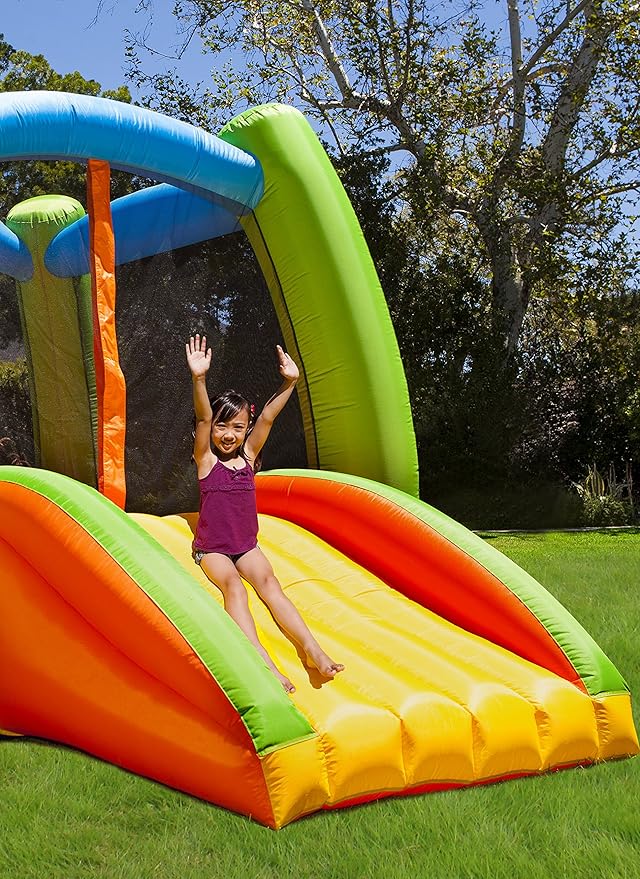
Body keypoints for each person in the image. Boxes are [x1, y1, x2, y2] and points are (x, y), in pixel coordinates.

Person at [186, 333, 344, 694]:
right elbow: (203, 417)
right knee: (234, 587)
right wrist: (199, 379)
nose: (229, 434)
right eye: (223, 426)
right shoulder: (206, 461)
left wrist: (290, 383)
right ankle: (265, 663)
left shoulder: (248, 458)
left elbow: (269, 417)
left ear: (246, 430)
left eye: (238, 427)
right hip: (213, 549)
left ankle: (312, 648)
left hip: (246, 545)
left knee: (270, 585)